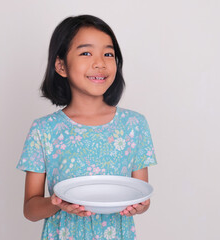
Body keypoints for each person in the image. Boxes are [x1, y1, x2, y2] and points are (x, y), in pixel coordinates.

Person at [16, 14, 157, 240]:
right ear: (61, 65)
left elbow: (140, 194)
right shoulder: (44, 130)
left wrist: (141, 206)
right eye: (86, 53)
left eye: (108, 54)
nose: (100, 63)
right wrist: (56, 203)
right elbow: (30, 209)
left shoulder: (134, 125)